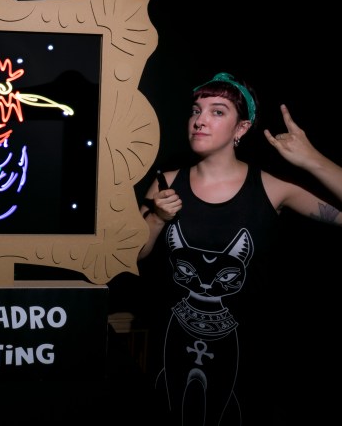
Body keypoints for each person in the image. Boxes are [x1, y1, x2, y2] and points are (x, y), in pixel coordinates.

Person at [137, 72, 342, 426]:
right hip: (171, 344)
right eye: (196, 110)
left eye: (217, 112)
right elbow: (134, 255)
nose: (200, 120)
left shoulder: (272, 187)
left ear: (241, 129)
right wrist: (156, 218)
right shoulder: (165, 182)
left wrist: (312, 159)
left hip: (246, 356)